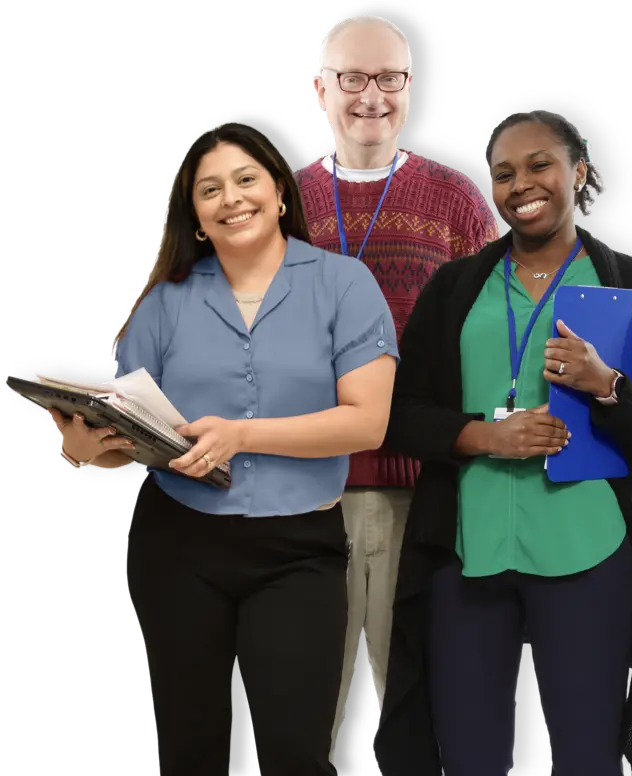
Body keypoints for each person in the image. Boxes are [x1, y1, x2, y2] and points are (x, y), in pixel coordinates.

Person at [48, 121, 399, 776]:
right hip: (179, 547)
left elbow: (366, 424)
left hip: (300, 552)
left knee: (298, 755)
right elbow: (138, 439)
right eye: (210, 190)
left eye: (245, 180)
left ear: (280, 194)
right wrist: (85, 449)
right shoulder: (163, 304)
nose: (231, 198)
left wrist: (240, 435)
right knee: (191, 750)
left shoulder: (346, 286)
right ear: (197, 218)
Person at [373, 110, 632, 776]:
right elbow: (403, 414)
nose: (521, 183)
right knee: (467, 759)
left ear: (579, 173)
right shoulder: (454, 289)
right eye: (503, 173)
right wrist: (483, 436)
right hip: (468, 554)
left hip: (589, 553)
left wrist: (606, 384)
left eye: (539, 164)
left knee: (588, 758)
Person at [295, 15, 500, 760]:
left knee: (417, 717)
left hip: (425, 494)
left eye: (390, 78)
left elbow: (498, 340)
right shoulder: (281, 202)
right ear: (321, 89)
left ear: (411, 86)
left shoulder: (455, 199)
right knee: (300, 720)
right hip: (306, 493)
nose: (371, 96)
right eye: (353, 77)